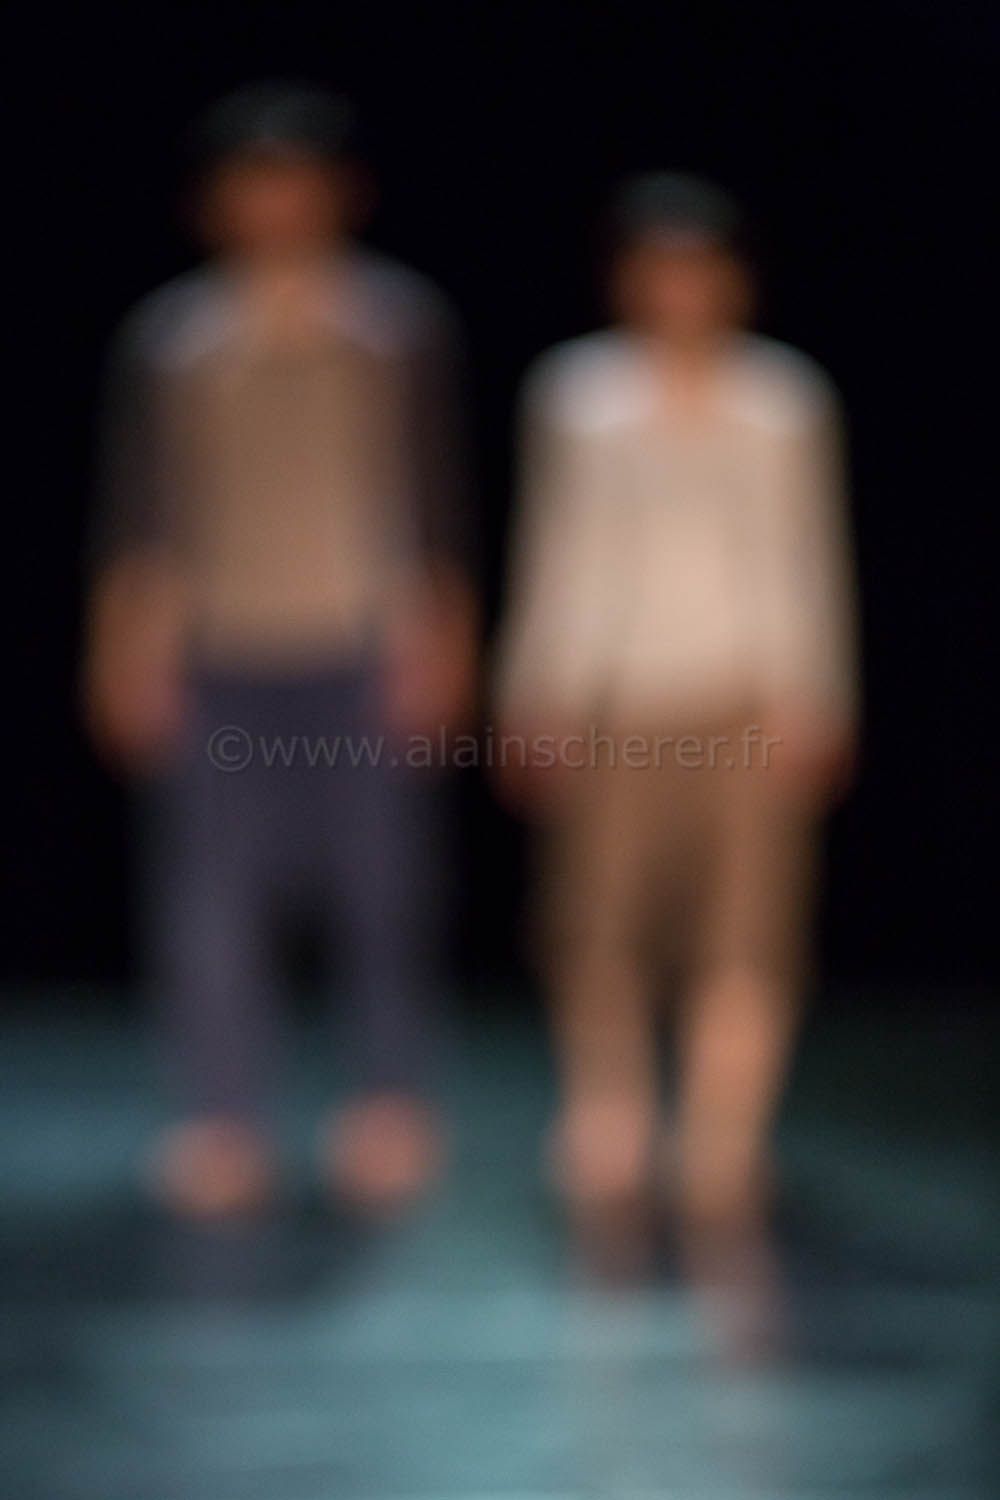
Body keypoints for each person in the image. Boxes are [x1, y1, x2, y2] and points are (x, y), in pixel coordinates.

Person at [82, 84, 477, 1218]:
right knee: (209, 898)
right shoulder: (176, 339)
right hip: (219, 649)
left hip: (359, 645)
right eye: (253, 185)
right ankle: (223, 1116)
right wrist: (124, 649)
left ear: (340, 194)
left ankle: (389, 1102)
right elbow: (140, 509)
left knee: (382, 888)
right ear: (214, 204)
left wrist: (444, 640)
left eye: (296, 182)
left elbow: (434, 496)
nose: (276, 205)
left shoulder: (395, 326)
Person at [495, 173, 858, 1227]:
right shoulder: (579, 397)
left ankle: (721, 1131)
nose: (678, 290)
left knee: (747, 928)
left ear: (734, 280)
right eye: (657, 268)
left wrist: (817, 692)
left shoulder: (781, 402)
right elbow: (556, 551)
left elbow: (804, 556)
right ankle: (608, 1116)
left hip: (742, 697)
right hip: (616, 700)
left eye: (698, 269)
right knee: (595, 922)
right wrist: (533, 692)